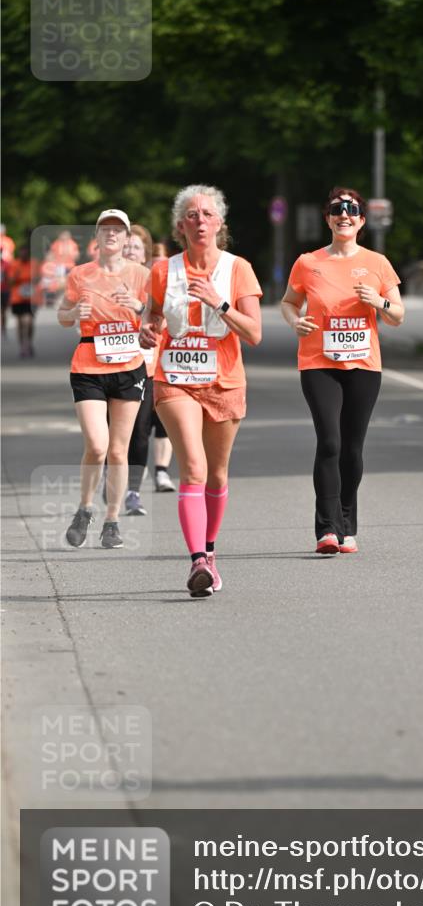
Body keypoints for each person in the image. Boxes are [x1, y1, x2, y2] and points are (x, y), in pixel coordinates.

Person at [140, 185, 262, 597]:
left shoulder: (238, 269)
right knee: (192, 467)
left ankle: (210, 551)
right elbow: (152, 317)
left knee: (217, 472)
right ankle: (196, 562)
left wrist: (219, 303)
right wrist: (147, 330)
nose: (200, 221)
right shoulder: (163, 271)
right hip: (175, 380)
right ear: (180, 226)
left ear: (220, 223)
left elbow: (254, 334)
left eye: (207, 214)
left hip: (224, 383)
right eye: (191, 215)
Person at [281, 187, 404, 554]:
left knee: (352, 448)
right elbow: (288, 302)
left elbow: (397, 316)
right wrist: (295, 321)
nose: (344, 214)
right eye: (337, 209)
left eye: (351, 209)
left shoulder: (377, 263)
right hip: (319, 363)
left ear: (361, 221)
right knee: (330, 442)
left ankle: (347, 525)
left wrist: (378, 301)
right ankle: (326, 530)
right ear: (328, 219)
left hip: (364, 365)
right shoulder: (308, 262)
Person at [58, 209, 149, 549]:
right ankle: (84, 509)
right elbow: (62, 315)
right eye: (105, 229)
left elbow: (160, 319)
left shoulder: (142, 274)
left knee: (118, 449)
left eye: (118, 230)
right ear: (96, 237)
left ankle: (112, 521)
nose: (111, 234)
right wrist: (72, 313)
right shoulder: (80, 274)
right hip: (88, 366)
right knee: (97, 445)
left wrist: (138, 307)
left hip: (128, 367)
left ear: (127, 238)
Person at [122, 225, 175, 515]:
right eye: (126, 246)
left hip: (149, 366)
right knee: (115, 432)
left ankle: (133, 491)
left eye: (136, 247)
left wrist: (140, 307)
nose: (130, 251)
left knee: (142, 429)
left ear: (145, 253)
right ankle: (111, 474)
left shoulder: (155, 281)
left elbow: (168, 319)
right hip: (112, 366)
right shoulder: (107, 278)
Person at [9, 245, 40, 357]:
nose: (23, 255)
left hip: (31, 298)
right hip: (17, 298)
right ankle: (22, 345)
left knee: (29, 322)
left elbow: (38, 278)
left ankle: (29, 343)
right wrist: (16, 276)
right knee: (20, 323)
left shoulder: (34, 263)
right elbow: (10, 282)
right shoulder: (14, 264)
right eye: (21, 252)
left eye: (25, 252)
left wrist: (35, 279)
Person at [1, 223, 15, 334]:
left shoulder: (9, 241)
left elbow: (11, 254)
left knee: (4, 309)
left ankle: (3, 327)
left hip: (6, 268)